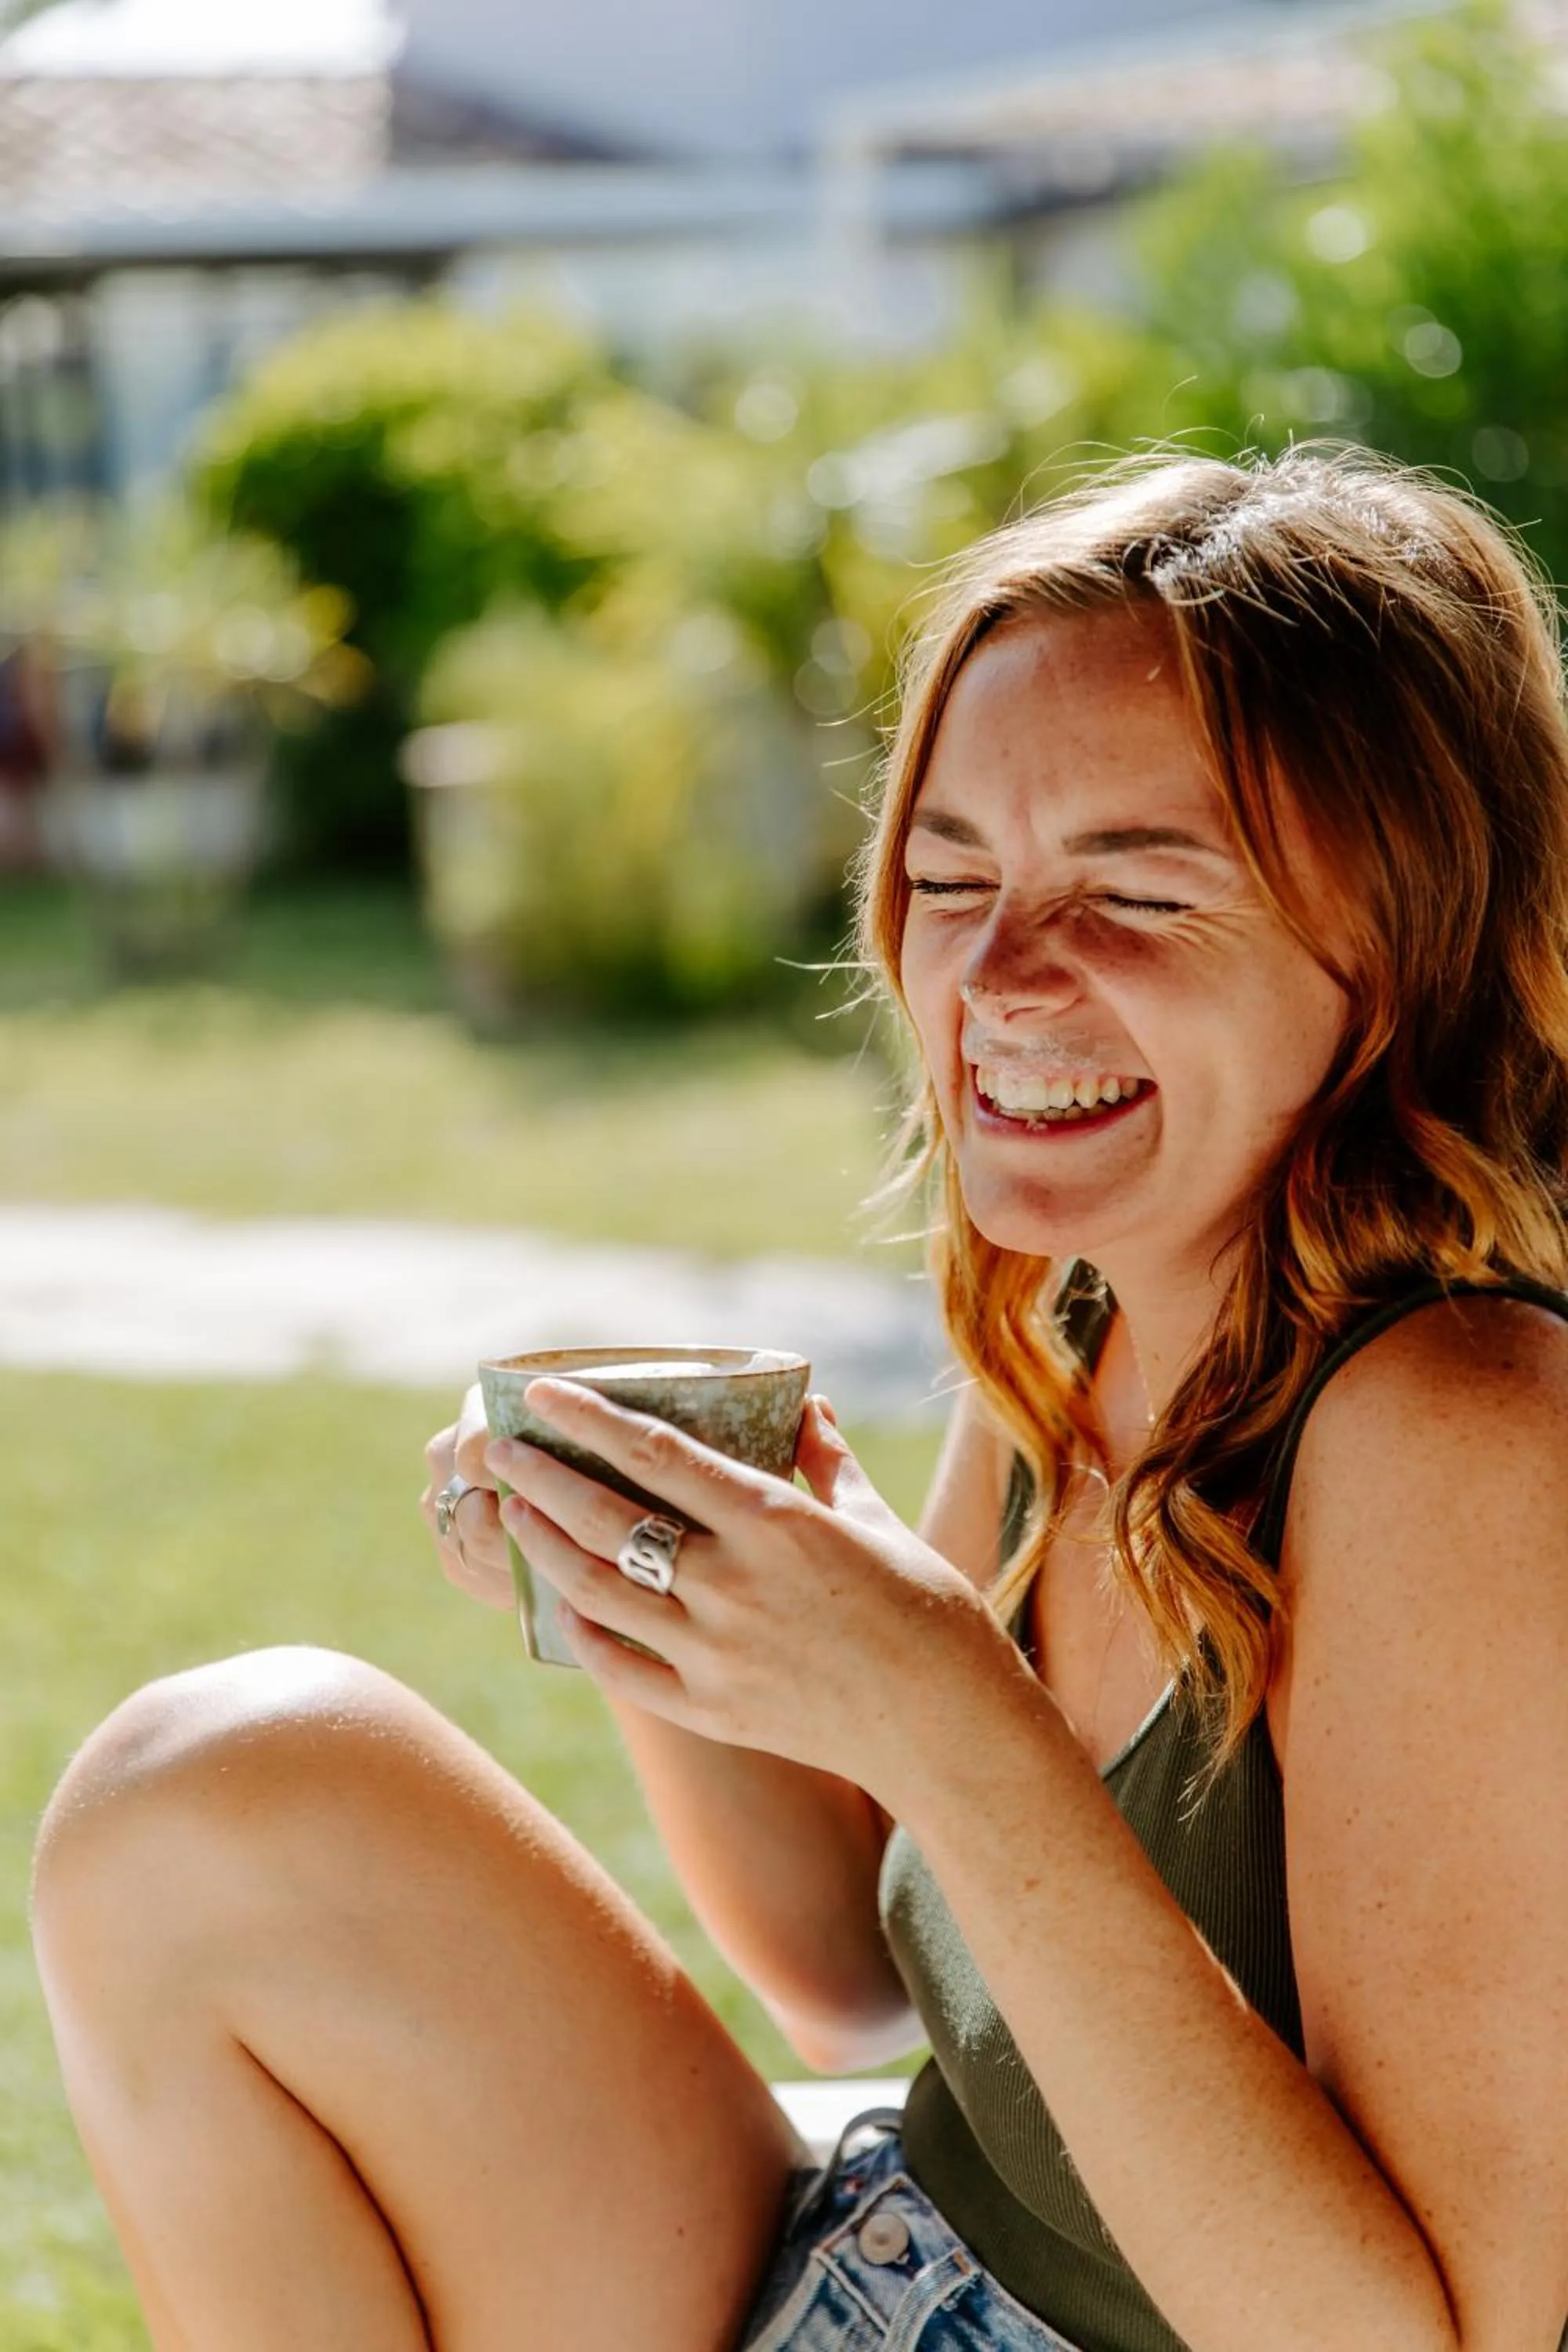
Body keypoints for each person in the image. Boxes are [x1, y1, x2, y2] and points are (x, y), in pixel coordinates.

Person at [29, 445, 1568, 2352]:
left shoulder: (1462, 1428)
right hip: (882, 2255)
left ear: (1409, 937)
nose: (998, 974)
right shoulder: (1085, 1324)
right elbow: (854, 1977)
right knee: (211, 1789)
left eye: (1138, 893)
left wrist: (952, 1722)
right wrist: (672, 1587)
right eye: (948, 875)